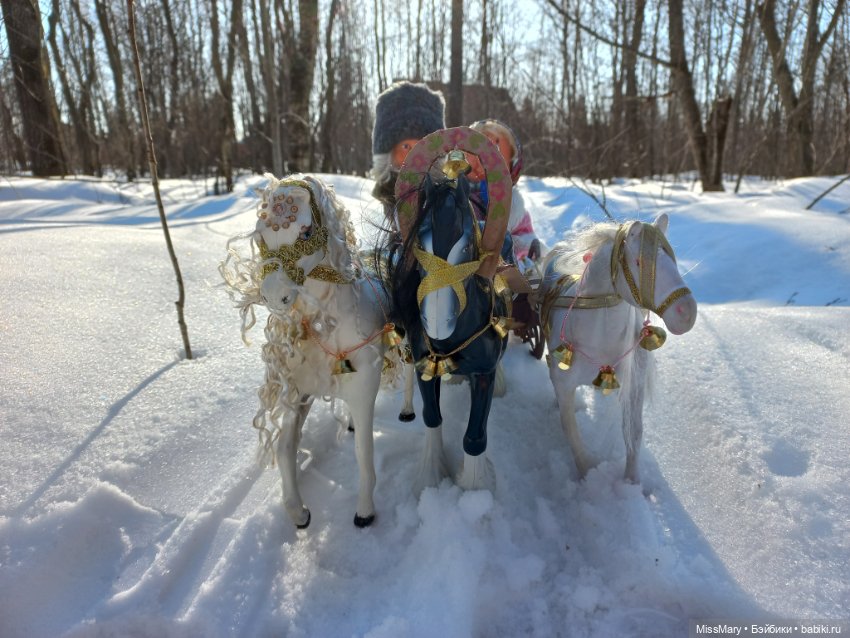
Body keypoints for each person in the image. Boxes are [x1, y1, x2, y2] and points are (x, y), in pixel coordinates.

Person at [467, 119, 543, 272]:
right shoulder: (456, 196)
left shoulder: (515, 207)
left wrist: (523, 255)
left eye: (498, 154)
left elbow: (527, 242)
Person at [370, 81, 446, 226]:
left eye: (423, 146)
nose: (415, 156)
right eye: (406, 146)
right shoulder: (372, 214)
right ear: (388, 154)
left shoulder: (449, 202)